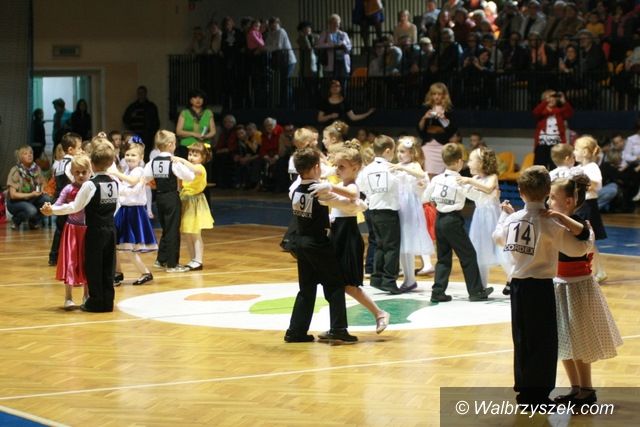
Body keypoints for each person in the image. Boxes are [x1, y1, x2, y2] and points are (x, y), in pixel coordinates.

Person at [492, 166, 593, 407]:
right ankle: (539, 395)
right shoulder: (551, 223)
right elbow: (578, 249)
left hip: (517, 289)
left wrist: (504, 216)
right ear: (548, 191)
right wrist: (588, 234)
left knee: (522, 339)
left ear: (520, 191)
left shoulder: (514, 219)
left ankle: (524, 392)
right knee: (544, 343)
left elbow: (498, 237)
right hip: (541, 289)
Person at [546, 174, 622, 407]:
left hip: (578, 289)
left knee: (579, 342)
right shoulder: (553, 224)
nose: (548, 202)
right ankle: (575, 388)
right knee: (564, 342)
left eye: (552, 198)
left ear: (569, 202)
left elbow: (582, 234)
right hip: (558, 287)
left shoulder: (582, 224)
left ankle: (587, 390)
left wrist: (559, 217)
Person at [309, 143, 390, 333]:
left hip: (347, 236)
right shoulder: (340, 185)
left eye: (342, 166)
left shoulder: (352, 185)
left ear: (355, 168)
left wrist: (329, 186)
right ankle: (338, 326)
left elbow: (353, 194)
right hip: (337, 234)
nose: (338, 170)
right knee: (337, 285)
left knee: (349, 285)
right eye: (337, 166)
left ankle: (379, 313)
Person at [285, 147, 356, 344]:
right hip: (317, 243)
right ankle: (338, 329)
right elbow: (348, 202)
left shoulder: (295, 189)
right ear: (316, 167)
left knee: (306, 289)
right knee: (335, 284)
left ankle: (295, 331)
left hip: (301, 242)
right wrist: (361, 203)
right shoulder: (319, 191)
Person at [42, 139, 120, 313]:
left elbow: (74, 207)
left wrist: (52, 210)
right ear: (110, 163)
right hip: (110, 229)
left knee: (93, 266)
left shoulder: (90, 185)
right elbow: (117, 205)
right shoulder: (114, 182)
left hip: (95, 231)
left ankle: (95, 302)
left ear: (92, 164)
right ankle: (107, 301)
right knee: (108, 266)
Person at [423, 143, 492, 303]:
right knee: (468, 255)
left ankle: (438, 292)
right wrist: (489, 193)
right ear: (459, 161)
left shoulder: (437, 179)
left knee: (443, 258)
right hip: (453, 221)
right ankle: (476, 291)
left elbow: (425, 197)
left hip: (439, 220)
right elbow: (478, 197)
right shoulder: (460, 180)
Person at [456, 147, 509, 293]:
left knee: (501, 249)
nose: (468, 163)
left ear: (482, 162)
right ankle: (482, 286)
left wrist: (468, 181)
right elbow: (469, 193)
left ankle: (513, 278)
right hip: (479, 217)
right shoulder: (475, 179)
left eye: (471, 160)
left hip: (493, 216)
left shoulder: (492, 177)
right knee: (479, 251)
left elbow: (488, 188)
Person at [144, 130, 196, 272]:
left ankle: (161, 260)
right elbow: (190, 176)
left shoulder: (152, 162)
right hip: (171, 197)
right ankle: (172, 264)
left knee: (166, 229)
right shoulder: (173, 161)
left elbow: (146, 177)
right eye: (174, 143)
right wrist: (182, 163)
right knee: (173, 230)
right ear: (170, 144)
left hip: (159, 198)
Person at [356, 135, 402, 295]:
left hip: (373, 211)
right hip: (388, 211)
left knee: (380, 245)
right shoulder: (391, 169)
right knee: (391, 247)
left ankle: (377, 278)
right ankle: (389, 281)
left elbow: (360, 186)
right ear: (388, 151)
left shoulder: (367, 169)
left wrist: (372, 194)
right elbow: (399, 188)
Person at [389, 136, 434, 291]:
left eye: (403, 152)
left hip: (410, 207)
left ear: (412, 153)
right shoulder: (397, 166)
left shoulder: (414, 165)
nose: (399, 155)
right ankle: (409, 279)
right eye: (398, 151)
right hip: (399, 205)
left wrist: (401, 168)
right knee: (402, 244)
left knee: (407, 241)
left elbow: (420, 175)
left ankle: (410, 279)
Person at [111, 140, 157, 286]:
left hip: (134, 213)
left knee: (128, 248)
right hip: (124, 211)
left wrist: (116, 173)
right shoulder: (126, 171)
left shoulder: (139, 171)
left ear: (141, 157)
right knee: (116, 245)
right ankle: (117, 273)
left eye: (133, 155)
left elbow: (131, 182)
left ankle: (145, 272)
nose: (129, 157)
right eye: (127, 154)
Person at [54, 155, 91, 310]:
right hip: (72, 230)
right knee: (70, 261)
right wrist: (50, 209)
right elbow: (57, 205)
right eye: (77, 172)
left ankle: (86, 295)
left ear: (89, 172)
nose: (81, 175)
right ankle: (68, 297)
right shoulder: (68, 189)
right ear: (72, 173)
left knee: (87, 262)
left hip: (88, 230)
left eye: (84, 172)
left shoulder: (92, 188)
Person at [573, 135, 607, 282]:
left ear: (585, 152)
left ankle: (597, 271)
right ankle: (598, 271)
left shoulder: (592, 167)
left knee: (588, 240)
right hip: (579, 205)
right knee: (586, 241)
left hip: (588, 206)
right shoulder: (579, 168)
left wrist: (580, 180)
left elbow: (597, 185)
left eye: (576, 149)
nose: (574, 152)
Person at [178, 142, 214, 271]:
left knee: (195, 233)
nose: (191, 157)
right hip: (186, 200)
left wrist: (181, 160)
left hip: (195, 202)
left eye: (195, 155)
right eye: (190, 154)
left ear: (203, 157)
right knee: (187, 233)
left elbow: (194, 169)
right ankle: (192, 258)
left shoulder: (200, 168)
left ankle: (198, 260)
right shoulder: (188, 168)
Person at [48, 133, 83, 265]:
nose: (81, 150)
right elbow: (74, 180)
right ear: (70, 149)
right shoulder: (71, 163)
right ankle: (64, 256)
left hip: (59, 197)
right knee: (70, 227)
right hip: (69, 199)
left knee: (60, 228)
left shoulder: (59, 163)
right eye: (79, 148)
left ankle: (54, 256)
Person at [6, 145, 51, 230]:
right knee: (31, 210)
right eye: (25, 153)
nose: (29, 155)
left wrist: (42, 190)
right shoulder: (15, 171)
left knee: (47, 200)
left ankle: (34, 221)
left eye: (31, 153)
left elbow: (43, 183)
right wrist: (32, 194)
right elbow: (13, 195)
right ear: (20, 157)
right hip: (15, 202)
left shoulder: (36, 168)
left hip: (31, 199)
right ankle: (16, 220)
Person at [417, 82, 457, 177]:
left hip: (442, 145)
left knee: (441, 175)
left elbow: (452, 130)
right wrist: (425, 117)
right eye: (434, 94)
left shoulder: (449, 110)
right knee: (428, 173)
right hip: (428, 145)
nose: (437, 97)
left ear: (444, 95)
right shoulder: (426, 108)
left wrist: (443, 119)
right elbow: (420, 129)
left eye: (439, 94)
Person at [532, 90, 574, 170]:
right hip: (542, 144)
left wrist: (564, 102)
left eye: (553, 97)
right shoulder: (541, 111)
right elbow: (535, 113)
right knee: (539, 167)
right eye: (548, 98)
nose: (551, 99)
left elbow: (569, 113)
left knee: (555, 167)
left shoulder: (560, 111)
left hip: (556, 145)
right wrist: (545, 102)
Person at [175, 89, 217, 160]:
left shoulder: (208, 113)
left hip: (204, 146)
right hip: (186, 146)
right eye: (195, 97)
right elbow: (178, 132)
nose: (198, 100)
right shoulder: (184, 113)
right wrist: (194, 134)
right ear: (190, 100)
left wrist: (205, 136)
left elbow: (213, 131)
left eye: (200, 98)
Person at [122, 86, 161, 161]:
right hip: (134, 135)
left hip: (148, 136)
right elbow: (125, 119)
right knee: (134, 151)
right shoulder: (132, 107)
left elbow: (156, 122)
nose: (140, 94)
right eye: (139, 93)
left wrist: (153, 134)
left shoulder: (151, 106)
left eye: (142, 93)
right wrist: (131, 116)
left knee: (147, 154)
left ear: (145, 93)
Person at [317, 14, 352, 82]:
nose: (336, 25)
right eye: (334, 23)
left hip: (342, 62)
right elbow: (319, 45)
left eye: (338, 23)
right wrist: (332, 45)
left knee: (343, 82)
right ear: (330, 24)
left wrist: (343, 44)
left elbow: (349, 46)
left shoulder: (343, 34)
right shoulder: (325, 33)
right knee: (330, 82)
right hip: (330, 63)